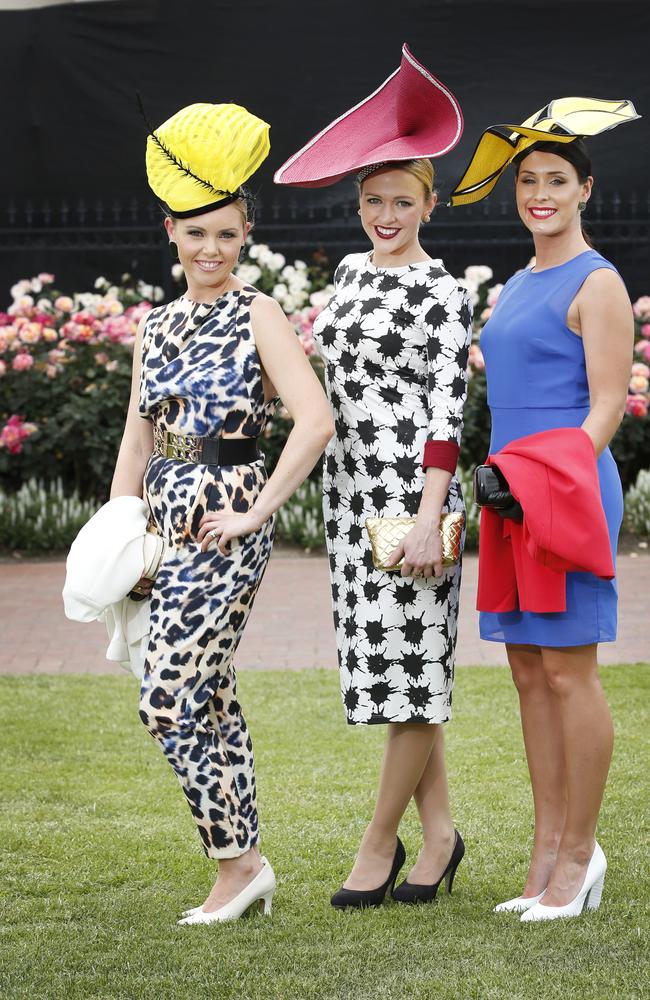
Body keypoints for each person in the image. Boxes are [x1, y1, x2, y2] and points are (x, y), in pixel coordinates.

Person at [111, 101, 333, 924]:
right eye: (196, 233)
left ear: (245, 239)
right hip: (163, 523)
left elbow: (314, 420)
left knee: (165, 694)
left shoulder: (258, 314)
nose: (211, 250)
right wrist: (119, 536)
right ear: (171, 231)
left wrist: (257, 511)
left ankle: (236, 865)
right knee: (207, 698)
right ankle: (247, 864)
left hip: (226, 521)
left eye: (227, 236)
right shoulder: (156, 326)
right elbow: (136, 442)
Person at [275, 45, 472, 908]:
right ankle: (441, 838)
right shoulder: (350, 273)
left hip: (411, 503)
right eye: (372, 201)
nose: (385, 215)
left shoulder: (442, 290)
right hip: (351, 496)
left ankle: (378, 843)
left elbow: (444, 415)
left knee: (414, 671)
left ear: (429, 204)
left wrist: (430, 517)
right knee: (395, 675)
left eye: (402, 200)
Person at [449, 97, 639, 921]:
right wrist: (502, 477)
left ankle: (579, 854)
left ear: (585, 189)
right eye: (528, 180)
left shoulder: (598, 281)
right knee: (528, 673)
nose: (539, 193)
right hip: (511, 489)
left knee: (569, 672)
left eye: (556, 179)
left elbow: (606, 407)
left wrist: (546, 478)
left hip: (563, 489)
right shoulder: (520, 281)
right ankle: (544, 850)